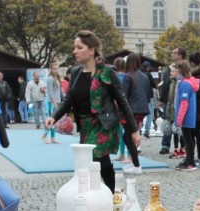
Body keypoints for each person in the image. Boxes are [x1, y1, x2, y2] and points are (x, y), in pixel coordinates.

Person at [46, 30, 139, 193]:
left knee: (96, 159)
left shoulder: (107, 72)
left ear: (91, 50)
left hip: (103, 125)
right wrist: (54, 117)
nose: (74, 51)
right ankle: (107, 193)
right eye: (74, 47)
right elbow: (68, 100)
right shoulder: (76, 72)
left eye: (79, 47)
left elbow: (122, 102)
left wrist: (133, 130)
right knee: (95, 161)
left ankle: (108, 194)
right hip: (85, 126)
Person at [122, 53, 149, 175]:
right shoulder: (144, 76)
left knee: (128, 136)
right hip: (142, 109)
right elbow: (148, 93)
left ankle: (136, 164)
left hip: (131, 109)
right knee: (128, 136)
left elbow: (124, 96)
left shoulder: (128, 77)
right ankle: (134, 162)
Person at [158, 47, 186, 155]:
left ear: (181, 55)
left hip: (178, 100)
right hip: (168, 100)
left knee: (179, 124)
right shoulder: (169, 68)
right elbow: (165, 84)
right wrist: (162, 99)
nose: (172, 54)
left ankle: (183, 146)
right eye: (172, 53)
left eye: (174, 53)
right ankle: (165, 145)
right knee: (167, 122)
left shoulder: (184, 67)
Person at [175, 60, 199, 172]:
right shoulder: (189, 82)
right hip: (190, 115)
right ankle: (189, 159)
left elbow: (184, 103)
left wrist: (179, 119)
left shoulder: (184, 84)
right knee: (189, 139)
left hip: (186, 116)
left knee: (188, 140)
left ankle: (190, 161)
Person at [44, 62, 63, 142]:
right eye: (54, 69)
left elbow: (61, 91)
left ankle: (52, 138)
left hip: (58, 101)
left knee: (54, 121)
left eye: (57, 68)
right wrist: (54, 103)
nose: (56, 70)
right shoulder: (50, 79)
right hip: (52, 103)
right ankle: (45, 135)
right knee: (51, 120)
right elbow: (50, 93)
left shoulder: (57, 78)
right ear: (51, 70)